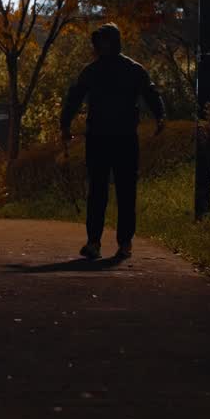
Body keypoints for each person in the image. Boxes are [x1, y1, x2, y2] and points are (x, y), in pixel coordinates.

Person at [60, 23, 165, 261]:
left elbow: (150, 93)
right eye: (100, 42)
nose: (101, 46)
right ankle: (96, 241)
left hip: (120, 137)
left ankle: (123, 242)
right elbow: (75, 97)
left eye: (105, 41)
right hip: (104, 137)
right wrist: (64, 124)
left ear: (114, 42)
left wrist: (160, 116)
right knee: (100, 192)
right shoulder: (110, 70)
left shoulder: (122, 70)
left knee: (123, 192)